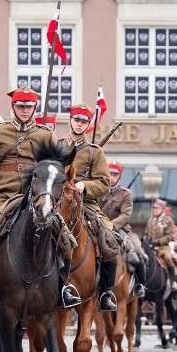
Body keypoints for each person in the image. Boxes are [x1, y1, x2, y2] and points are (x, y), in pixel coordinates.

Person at [0, 86, 81, 308]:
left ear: (35, 108)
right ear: (13, 107)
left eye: (29, 106)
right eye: (20, 106)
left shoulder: (46, 134)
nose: (25, 110)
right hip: (2, 194)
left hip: (36, 196)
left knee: (65, 238)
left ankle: (63, 288)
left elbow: (55, 166)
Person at [59, 103, 117, 311]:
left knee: (110, 238)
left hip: (85, 203)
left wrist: (85, 185)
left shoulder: (95, 152)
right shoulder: (57, 146)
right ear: (70, 121)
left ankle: (105, 292)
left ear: (88, 126)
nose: (79, 124)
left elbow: (104, 183)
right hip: (58, 199)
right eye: (76, 120)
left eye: (84, 122)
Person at [98, 161, 146, 297]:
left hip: (119, 228)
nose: (112, 177)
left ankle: (140, 284)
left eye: (115, 174)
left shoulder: (125, 194)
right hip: (98, 225)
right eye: (110, 174)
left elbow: (125, 215)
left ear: (119, 176)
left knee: (136, 248)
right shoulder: (99, 190)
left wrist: (111, 225)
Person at [144, 199, 177, 289]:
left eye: (157, 208)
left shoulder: (168, 221)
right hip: (150, 246)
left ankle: (173, 281)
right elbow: (146, 233)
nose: (155, 210)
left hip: (163, 247)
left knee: (168, 258)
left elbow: (169, 236)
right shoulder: (150, 220)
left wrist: (158, 241)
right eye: (154, 208)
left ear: (162, 209)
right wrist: (145, 241)